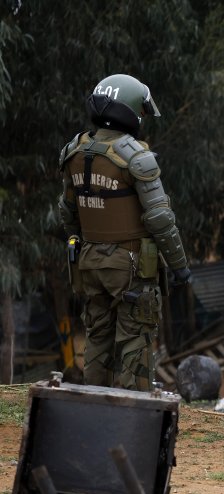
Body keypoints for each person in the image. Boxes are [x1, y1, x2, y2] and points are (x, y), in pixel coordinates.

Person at [58, 74, 191, 391]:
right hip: (130, 268)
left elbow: (67, 212)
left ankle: (91, 408)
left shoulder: (74, 152)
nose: (142, 118)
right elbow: (160, 219)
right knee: (134, 344)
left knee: (97, 341)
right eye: (141, 111)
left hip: (89, 264)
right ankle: (132, 419)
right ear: (129, 110)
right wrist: (180, 267)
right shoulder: (136, 157)